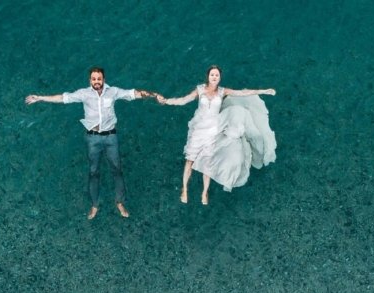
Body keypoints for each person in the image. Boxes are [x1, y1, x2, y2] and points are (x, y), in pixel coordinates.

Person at [25, 67, 158, 219]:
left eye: (99, 79)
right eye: (94, 79)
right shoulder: (84, 94)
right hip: (93, 138)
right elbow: (63, 98)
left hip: (111, 137)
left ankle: (120, 202)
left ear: (103, 79)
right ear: (90, 80)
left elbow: (133, 93)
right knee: (93, 172)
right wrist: (40, 98)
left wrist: (153, 95)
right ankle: (94, 205)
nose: (96, 81)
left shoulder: (113, 92)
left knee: (117, 170)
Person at [156, 65, 276, 205]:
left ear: (219, 78)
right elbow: (183, 100)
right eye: (212, 74)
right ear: (208, 76)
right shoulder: (200, 90)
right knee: (190, 159)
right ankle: (184, 190)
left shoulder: (222, 91)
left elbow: (242, 93)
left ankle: (204, 192)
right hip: (199, 128)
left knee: (208, 161)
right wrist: (167, 101)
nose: (214, 77)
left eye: (217, 75)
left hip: (213, 128)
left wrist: (264, 91)